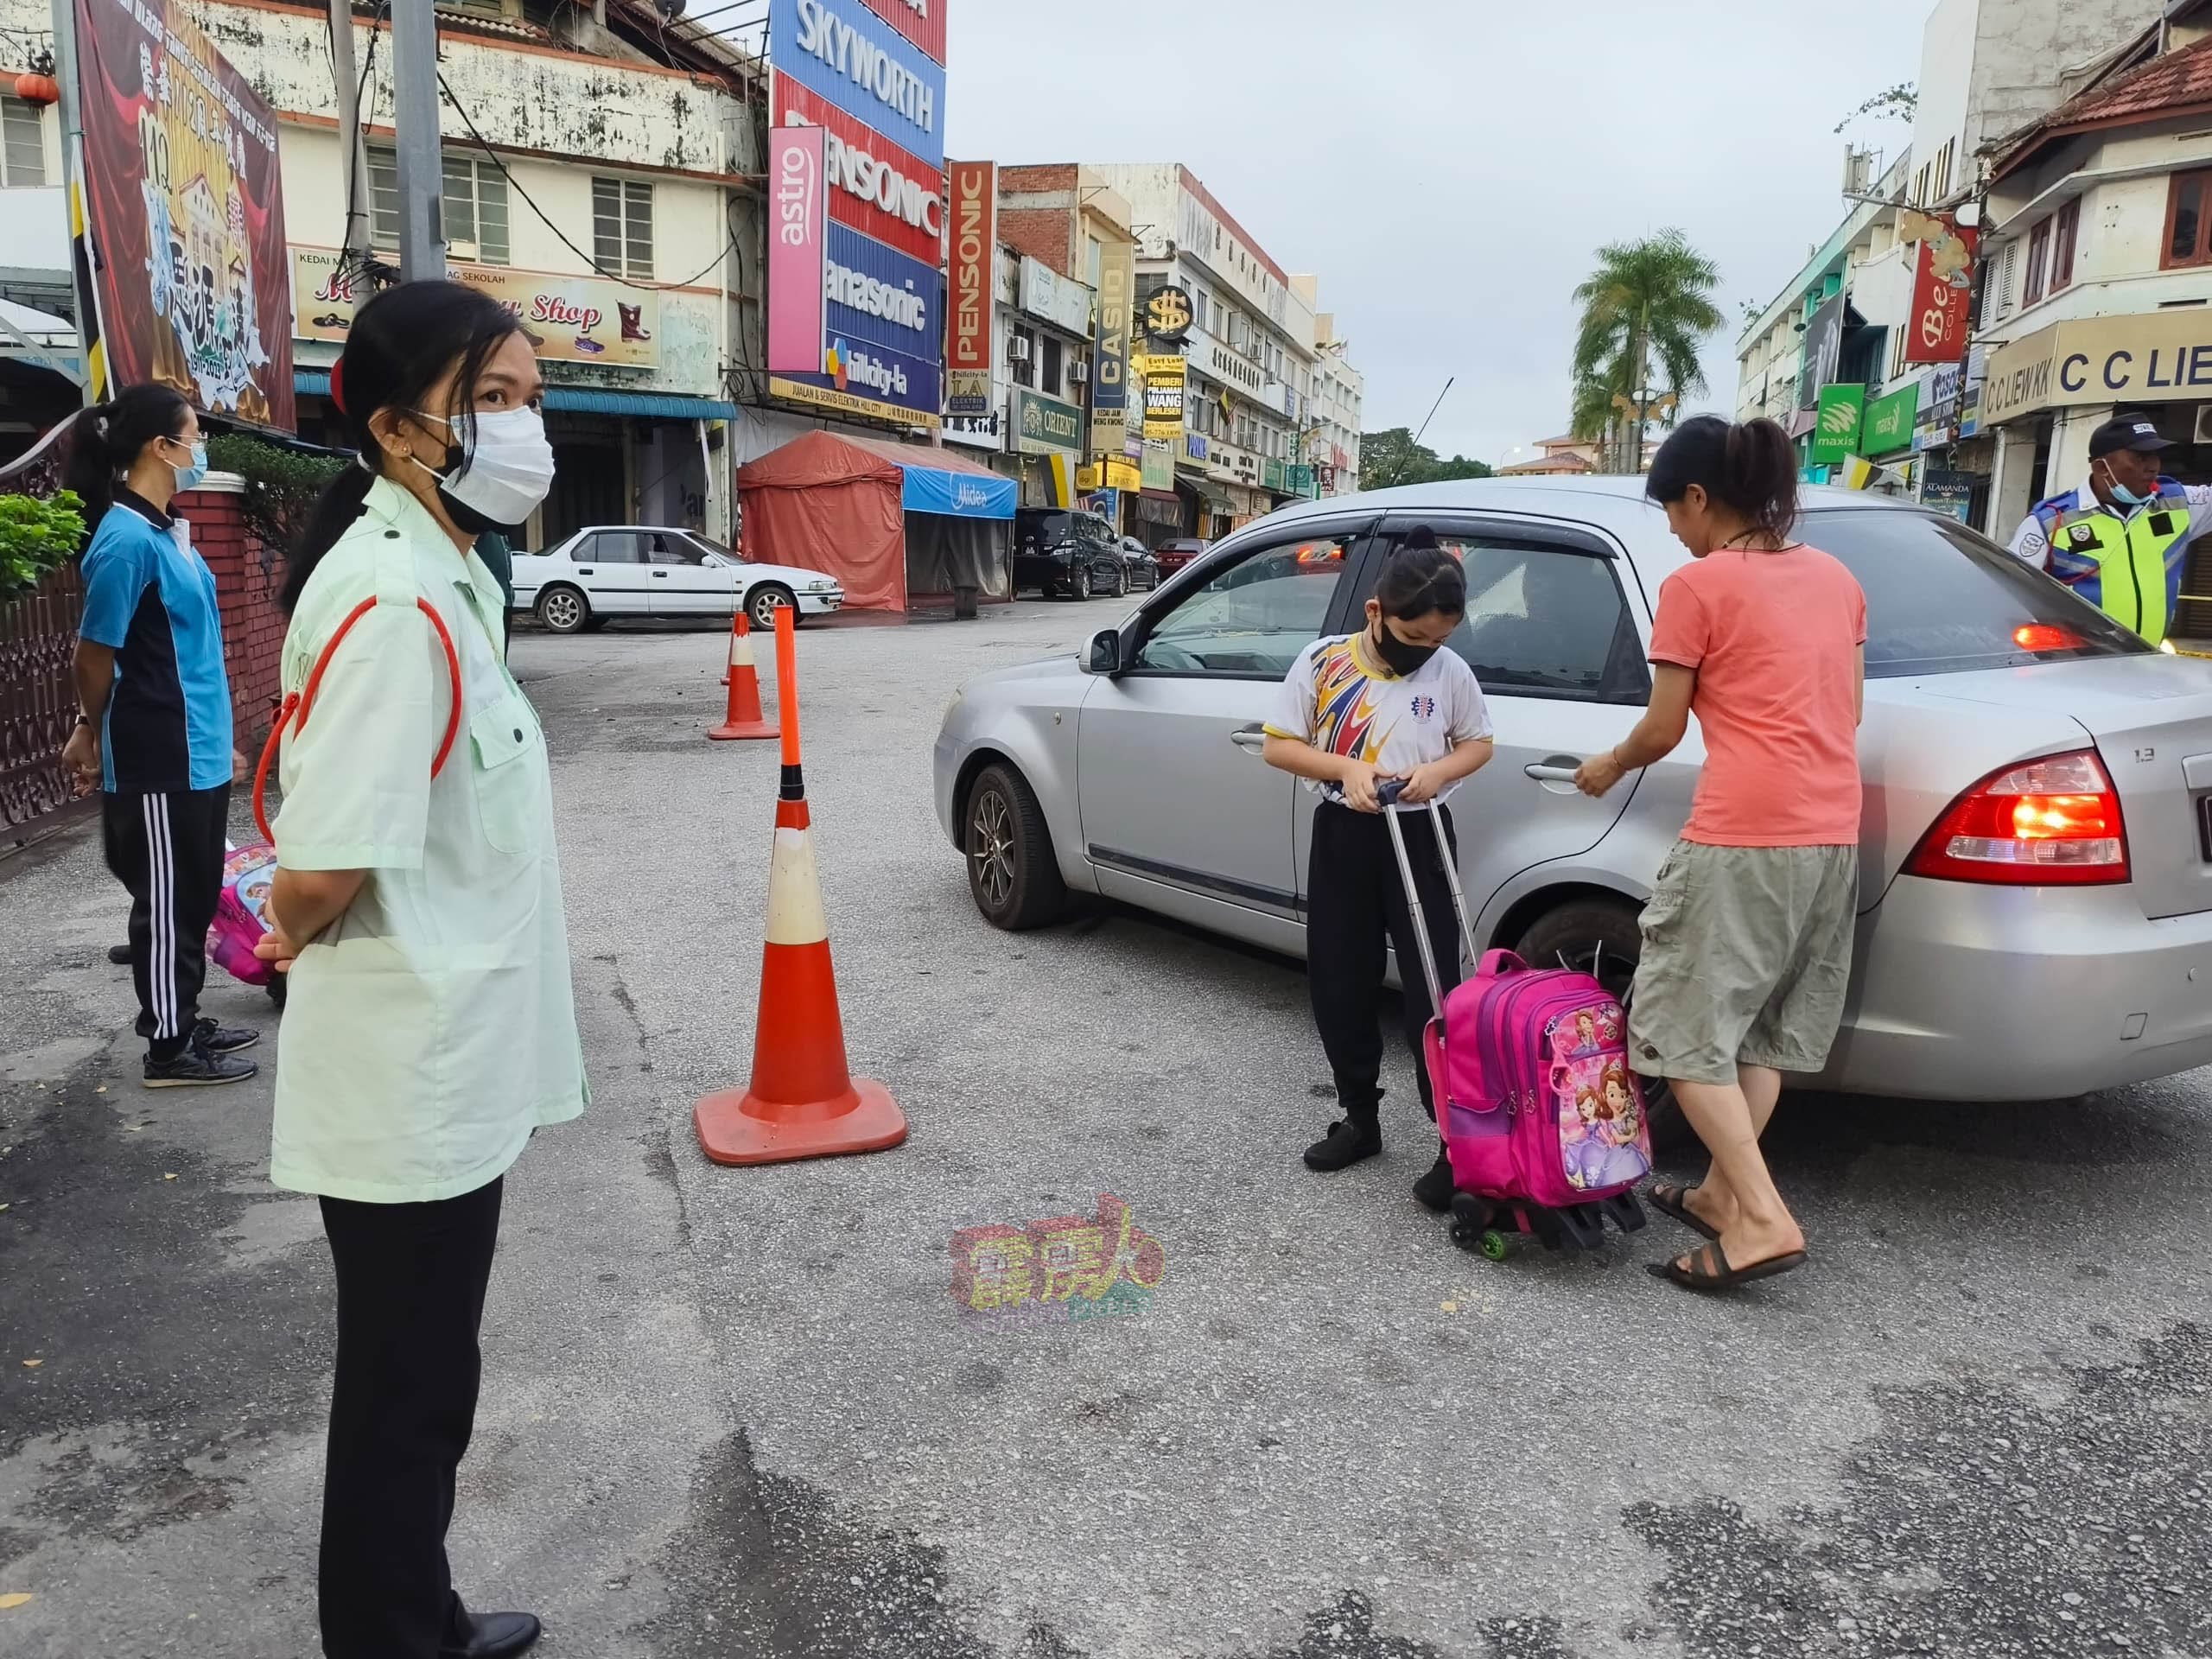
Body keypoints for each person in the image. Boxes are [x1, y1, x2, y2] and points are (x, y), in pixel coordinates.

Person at [252, 281, 584, 1659]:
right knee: (405, 1390)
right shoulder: (400, 601)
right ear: (400, 431)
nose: (526, 430)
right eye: (489, 403)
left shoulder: (443, 566)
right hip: (409, 1081)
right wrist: (280, 930)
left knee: (423, 1379)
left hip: (446, 1066)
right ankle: (394, 1639)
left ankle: (410, 1614)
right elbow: (324, 863)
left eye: (530, 397)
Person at [1573, 416, 1864, 1294]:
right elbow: (1845, 713)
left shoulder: (1697, 586)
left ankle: (1763, 1220)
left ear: (1699, 497)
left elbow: (1662, 728)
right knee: (1758, 1032)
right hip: (1831, 830)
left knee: (1679, 1036)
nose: (1669, 527)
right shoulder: (1837, 578)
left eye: (1670, 508)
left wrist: (1607, 764)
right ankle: (1714, 1196)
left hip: (1743, 835)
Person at [1262, 532, 1495, 1210]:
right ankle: (1360, 1117)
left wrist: (1436, 773)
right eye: (1413, 636)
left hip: (1421, 834)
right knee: (1341, 976)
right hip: (1346, 832)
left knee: (1435, 990)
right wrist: (1347, 769)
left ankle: (1456, 1144)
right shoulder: (1324, 663)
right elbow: (1281, 748)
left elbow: (1477, 743)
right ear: (1374, 612)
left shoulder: (1448, 671)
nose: (1425, 651)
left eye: (1438, 638)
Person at [60, 384, 258, 1086]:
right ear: (160, 446)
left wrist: (224, 739)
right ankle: (168, 1048)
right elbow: (94, 652)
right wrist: (91, 726)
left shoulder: (168, 531)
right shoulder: (122, 540)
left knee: (198, 893)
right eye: (193, 434)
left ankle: (184, 1012)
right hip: (156, 750)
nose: (199, 446)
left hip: (196, 747)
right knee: (168, 901)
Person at [2007, 412, 2212, 644]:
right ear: (2102, 467)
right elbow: (2007, 595)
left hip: (2149, 659)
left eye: (2155, 455)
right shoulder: (2050, 522)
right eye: (2140, 457)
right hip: (2076, 666)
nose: (2153, 466)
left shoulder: (2175, 503)